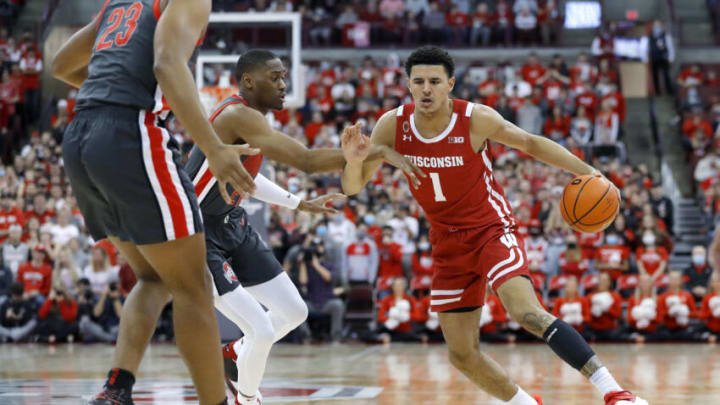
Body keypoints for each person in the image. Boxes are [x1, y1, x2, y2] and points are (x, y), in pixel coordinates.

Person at [340, 46, 646, 405]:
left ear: (450, 84)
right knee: (461, 354)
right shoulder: (392, 125)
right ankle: (524, 403)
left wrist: (588, 171)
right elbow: (352, 187)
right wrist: (353, 161)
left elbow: (530, 143)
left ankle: (614, 391)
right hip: (445, 240)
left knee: (526, 312)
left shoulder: (475, 118)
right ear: (407, 84)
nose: (426, 89)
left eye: (434, 82)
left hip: (490, 227)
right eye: (419, 81)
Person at [51, 0, 259, 403]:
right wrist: (214, 148)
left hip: (81, 136)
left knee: (155, 278)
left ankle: (117, 388)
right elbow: (166, 64)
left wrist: (114, 92)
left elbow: (61, 64)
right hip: (132, 133)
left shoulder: (124, 1)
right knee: (195, 285)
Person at [182, 50, 416, 405]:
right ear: (248, 81)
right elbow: (305, 160)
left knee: (294, 312)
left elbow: (249, 178)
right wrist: (372, 153)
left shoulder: (250, 120)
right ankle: (247, 399)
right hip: (199, 234)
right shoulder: (236, 116)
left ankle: (235, 353)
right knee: (260, 327)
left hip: (233, 225)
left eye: (283, 77)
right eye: (274, 77)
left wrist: (298, 203)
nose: (283, 85)